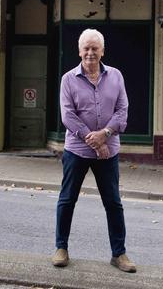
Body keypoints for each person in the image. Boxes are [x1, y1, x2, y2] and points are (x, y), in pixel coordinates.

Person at [51, 28, 135, 273]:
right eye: (86, 48)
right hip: (76, 150)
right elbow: (68, 116)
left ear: (102, 51)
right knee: (67, 200)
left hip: (109, 150)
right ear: (79, 51)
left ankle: (119, 254)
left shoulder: (116, 76)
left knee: (113, 203)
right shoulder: (68, 79)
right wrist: (95, 142)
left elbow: (122, 111)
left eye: (94, 48)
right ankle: (61, 248)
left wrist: (105, 135)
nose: (90, 53)